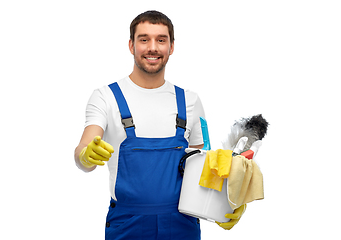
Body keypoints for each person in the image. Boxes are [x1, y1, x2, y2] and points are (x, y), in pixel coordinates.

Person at [74, 10, 244, 239]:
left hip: (182, 225)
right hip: (126, 226)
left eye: (161, 40)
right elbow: (84, 150)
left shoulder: (190, 101)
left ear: (171, 47)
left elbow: (203, 167)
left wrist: (225, 203)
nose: (152, 47)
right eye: (144, 39)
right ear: (131, 45)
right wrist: (86, 156)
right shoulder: (105, 97)